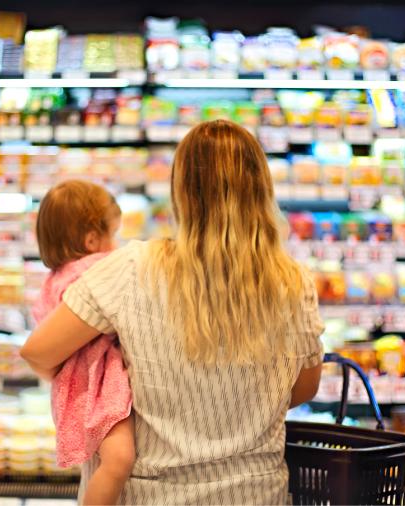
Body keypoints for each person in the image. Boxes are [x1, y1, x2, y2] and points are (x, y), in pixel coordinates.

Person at [21, 120, 324, 504]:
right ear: (262, 189)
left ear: (181, 192)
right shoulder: (293, 281)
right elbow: (303, 388)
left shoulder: (131, 268)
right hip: (257, 493)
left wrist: (102, 384)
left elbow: (38, 352)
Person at [29, 180, 134, 505]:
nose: (117, 246)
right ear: (91, 241)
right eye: (112, 236)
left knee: (105, 462)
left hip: (81, 384)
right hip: (97, 386)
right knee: (119, 460)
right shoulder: (92, 272)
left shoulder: (56, 277)